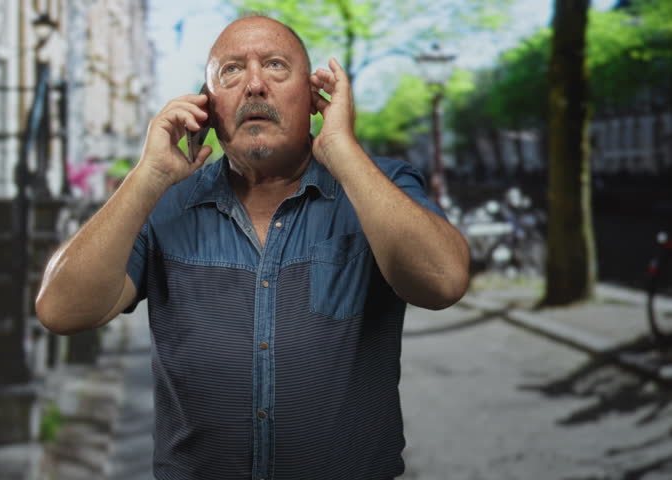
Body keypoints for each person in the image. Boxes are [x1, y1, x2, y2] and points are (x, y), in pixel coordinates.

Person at [36, 15, 470, 480]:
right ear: (206, 106)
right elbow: (61, 310)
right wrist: (147, 176)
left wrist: (343, 151)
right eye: (232, 71)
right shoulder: (162, 205)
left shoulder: (381, 187)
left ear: (313, 97)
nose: (255, 85)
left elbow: (443, 283)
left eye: (276, 66)